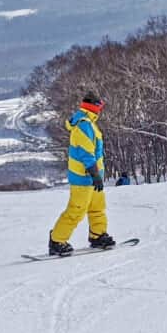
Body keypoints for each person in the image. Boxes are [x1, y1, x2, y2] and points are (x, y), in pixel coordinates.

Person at [48, 93, 116, 256]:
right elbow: (86, 152)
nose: (101, 110)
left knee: (97, 208)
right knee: (77, 209)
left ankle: (97, 235)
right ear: (94, 106)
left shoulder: (90, 123)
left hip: (93, 176)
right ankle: (57, 240)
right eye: (100, 107)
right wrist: (94, 173)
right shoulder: (83, 125)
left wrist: (96, 174)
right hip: (83, 177)